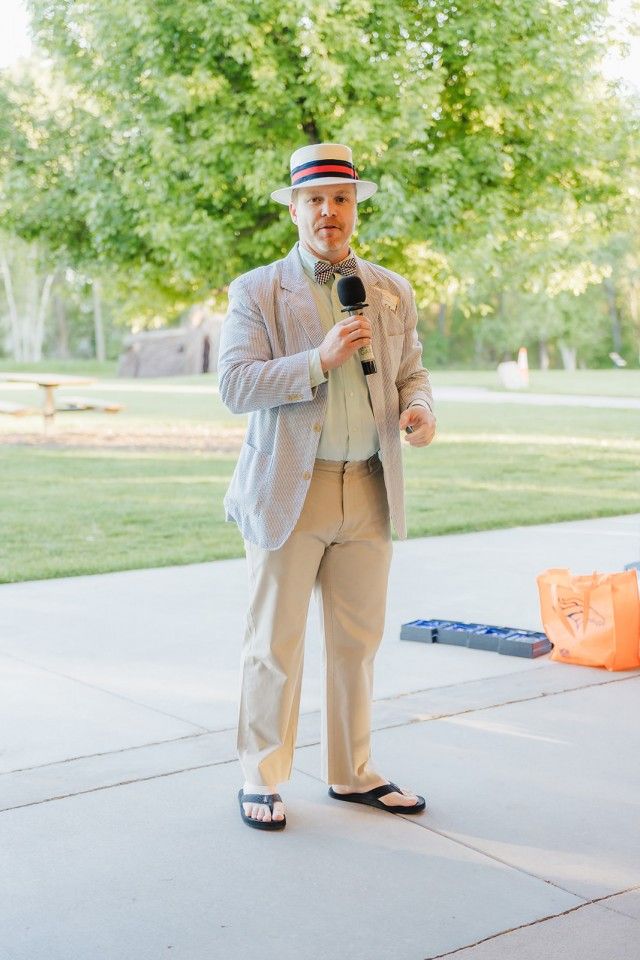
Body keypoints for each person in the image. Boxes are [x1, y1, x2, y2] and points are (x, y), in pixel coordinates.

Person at [218, 143, 436, 831]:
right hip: (291, 488)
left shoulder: (390, 288)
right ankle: (261, 776)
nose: (329, 212)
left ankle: (352, 772)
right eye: (315, 199)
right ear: (294, 208)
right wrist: (318, 359)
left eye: (341, 199)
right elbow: (235, 385)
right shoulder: (257, 291)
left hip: (368, 485)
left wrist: (419, 409)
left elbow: (412, 372)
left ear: (354, 207)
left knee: (357, 643)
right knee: (274, 643)